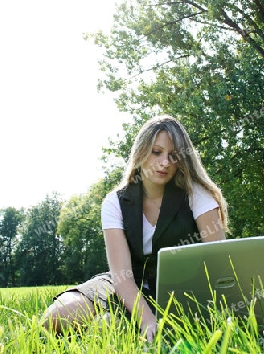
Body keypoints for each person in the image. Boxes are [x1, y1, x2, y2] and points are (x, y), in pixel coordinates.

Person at [43, 115, 228, 341]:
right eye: (156, 152)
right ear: (140, 152)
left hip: (178, 287)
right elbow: (122, 276)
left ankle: (114, 325)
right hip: (126, 283)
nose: (165, 163)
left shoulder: (196, 195)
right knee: (57, 316)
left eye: (173, 155)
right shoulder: (115, 202)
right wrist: (147, 319)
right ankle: (122, 320)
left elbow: (221, 260)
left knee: (108, 326)